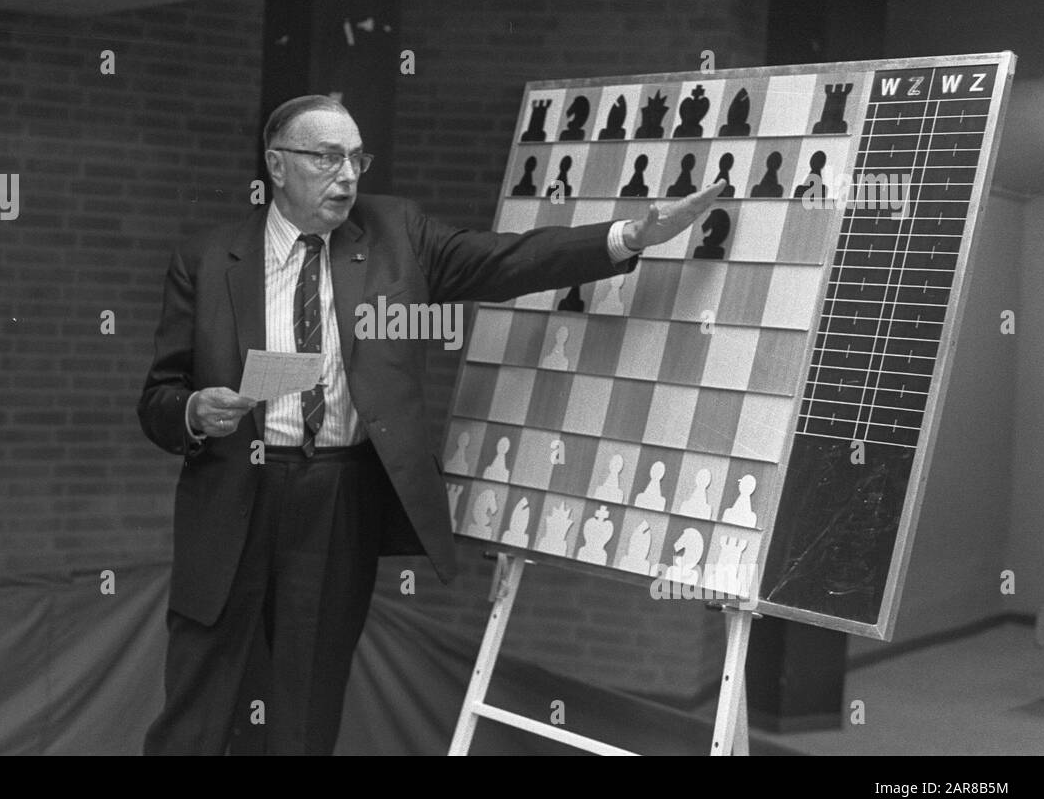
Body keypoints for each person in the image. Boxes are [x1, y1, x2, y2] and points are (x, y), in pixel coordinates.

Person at [136, 94, 723, 755]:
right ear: (276, 165)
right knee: (199, 707)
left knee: (304, 710)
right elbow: (158, 396)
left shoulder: (396, 234)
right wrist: (191, 411)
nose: (348, 174)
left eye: (357, 157)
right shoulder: (209, 259)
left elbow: (507, 259)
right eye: (326, 157)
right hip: (233, 494)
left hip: (337, 498)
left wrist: (629, 237)